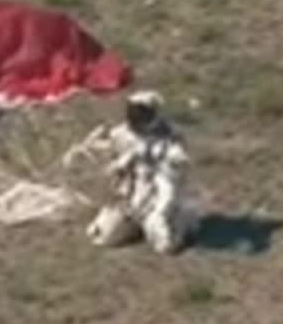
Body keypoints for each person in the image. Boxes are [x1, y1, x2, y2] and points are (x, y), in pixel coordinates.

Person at [66, 90, 200, 254]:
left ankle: (182, 219)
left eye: (142, 115)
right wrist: (87, 150)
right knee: (101, 236)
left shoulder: (171, 138)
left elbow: (174, 174)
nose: (137, 120)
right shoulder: (121, 133)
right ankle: (135, 227)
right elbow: (107, 151)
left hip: (156, 201)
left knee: (166, 246)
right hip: (128, 201)